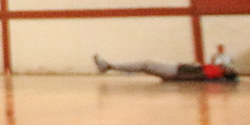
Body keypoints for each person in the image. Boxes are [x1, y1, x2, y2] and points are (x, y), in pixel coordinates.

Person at [93, 53, 239, 82]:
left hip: (174, 70)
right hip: (174, 71)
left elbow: (195, 75)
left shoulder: (215, 73)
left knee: (146, 62)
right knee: (144, 66)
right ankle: (110, 66)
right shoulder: (216, 72)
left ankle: (108, 66)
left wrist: (175, 78)